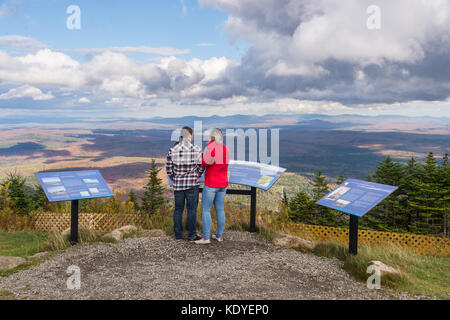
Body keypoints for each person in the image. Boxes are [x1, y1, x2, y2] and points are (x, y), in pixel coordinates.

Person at [166, 126, 204, 241]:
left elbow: (168, 168)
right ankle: (191, 234)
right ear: (190, 136)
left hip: (178, 185)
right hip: (192, 184)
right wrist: (196, 175)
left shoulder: (173, 150)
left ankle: (178, 234)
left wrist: (175, 178)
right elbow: (201, 166)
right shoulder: (197, 149)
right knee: (191, 209)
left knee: (178, 210)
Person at [195, 128, 230, 244]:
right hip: (223, 183)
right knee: (220, 209)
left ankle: (206, 237)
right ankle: (219, 235)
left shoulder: (211, 147)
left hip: (211, 183)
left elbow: (205, 163)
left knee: (206, 209)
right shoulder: (226, 149)